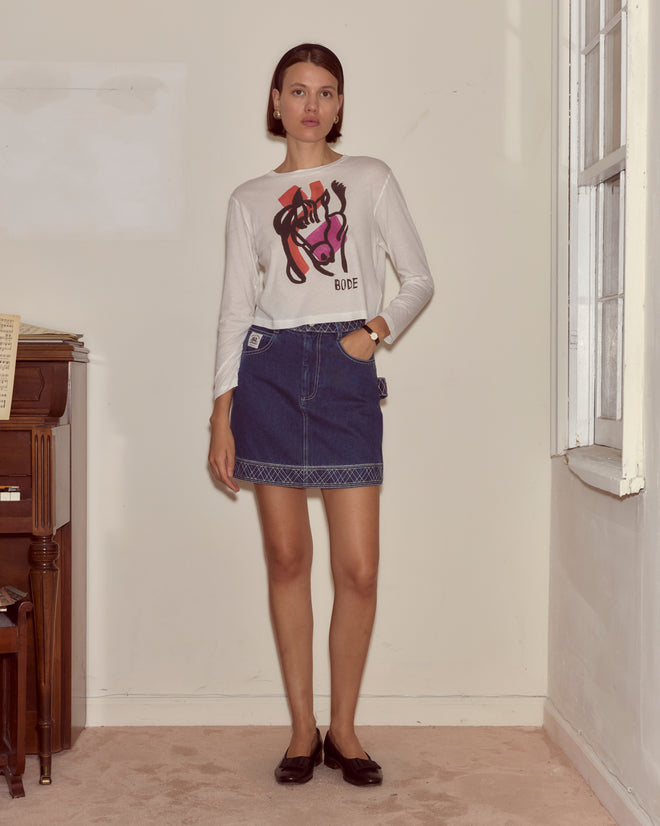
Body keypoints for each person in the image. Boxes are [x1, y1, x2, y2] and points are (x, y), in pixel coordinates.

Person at [208, 43, 433, 787]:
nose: (312, 103)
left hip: (343, 373)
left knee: (359, 569)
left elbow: (418, 278)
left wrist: (371, 335)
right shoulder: (247, 199)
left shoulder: (368, 178)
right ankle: (303, 729)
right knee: (287, 559)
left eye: (327, 91)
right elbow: (235, 310)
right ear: (275, 101)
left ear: (340, 104)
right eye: (297, 90)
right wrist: (221, 414)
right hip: (268, 370)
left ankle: (346, 728)